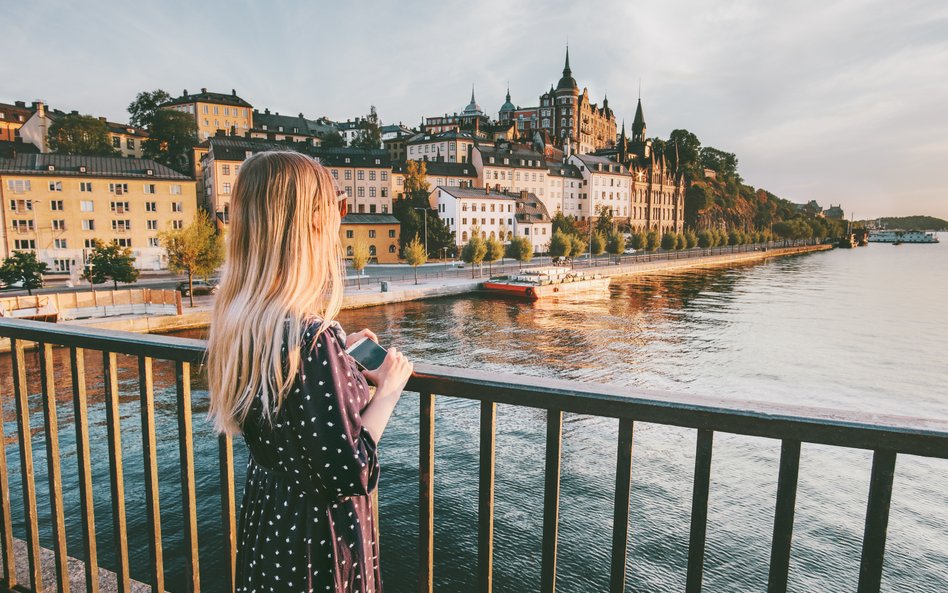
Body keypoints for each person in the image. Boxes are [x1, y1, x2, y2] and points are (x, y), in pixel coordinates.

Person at [206, 151, 413, 592]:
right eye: (335, 209)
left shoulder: (243, 322)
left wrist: (339, 356)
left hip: (270, 521)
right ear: (310, 225)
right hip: (317, 538)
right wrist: (389, 389)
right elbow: (352, 469)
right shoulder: (311, 339)